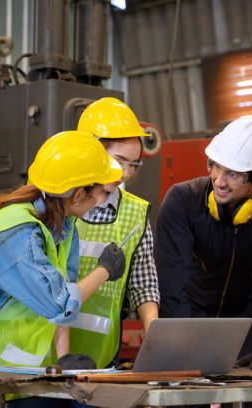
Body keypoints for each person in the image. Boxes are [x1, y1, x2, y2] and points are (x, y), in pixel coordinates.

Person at [0, 131, 126, 408]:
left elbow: (62, 292)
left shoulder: (64, 228)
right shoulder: (18, 230)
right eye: (102, 192)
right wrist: (104, 270)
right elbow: (60, 304)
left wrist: (64, 360)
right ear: (77, 195)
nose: (103, 201)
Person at [155, 117, 252, 363]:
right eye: (216, 167)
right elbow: (172, 283)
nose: (220, 181)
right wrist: (179, 343)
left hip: (246, 323)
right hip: (189, 317)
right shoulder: (183, 200)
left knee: (251, 396)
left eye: (233, 174)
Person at [67, 97, 159, 368]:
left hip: (101, 357)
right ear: (90, 151)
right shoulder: (57, 203)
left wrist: (154, 335)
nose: (126, 172)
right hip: (41, 353)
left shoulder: (135, 213)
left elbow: (144, 283)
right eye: (119, 160)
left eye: (134, 164)